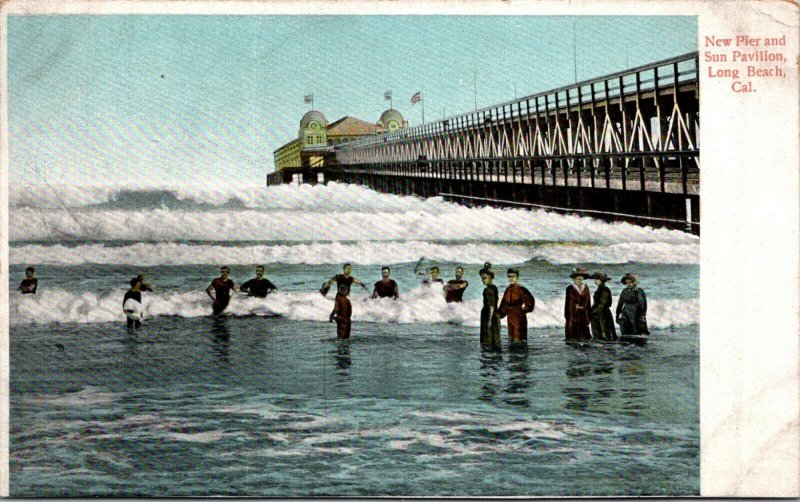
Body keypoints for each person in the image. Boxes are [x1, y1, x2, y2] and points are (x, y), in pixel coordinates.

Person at [324, 263, 367, 340]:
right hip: (339, 296)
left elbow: (357, 281)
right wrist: (327, 286)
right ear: (344, 269)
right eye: (347, 268)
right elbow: (331, 281)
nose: (348, 270)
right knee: (339, 313)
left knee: (346, 314)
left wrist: (363, 285)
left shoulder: (350, 278)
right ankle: (340, 333)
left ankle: (343, 333)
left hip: (346, 297)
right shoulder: (339, 277)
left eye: (350, 268)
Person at [498, 268, 536, 346]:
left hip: (519, 318)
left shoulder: (521, 289)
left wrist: (525, 309)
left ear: (517, 277)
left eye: (513, 276)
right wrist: (498, 314)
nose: (511, 278)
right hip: (510, 318)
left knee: (519, 340)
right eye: (509, 276)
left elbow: (530, 301)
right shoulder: (507, 289)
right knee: (511, 340)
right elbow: (504, 305)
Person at [616, 273, 650, 340]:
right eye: (627, 283)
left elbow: (643, 303)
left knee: (636, 335)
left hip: (636, 313)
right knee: (625, 334)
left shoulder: (639, 291)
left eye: (630, 282)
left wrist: (643, 315)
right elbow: (620, 303)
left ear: (634, 282)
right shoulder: (624, 291)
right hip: (625, 313)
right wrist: (617, 315)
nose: (628, 284)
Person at [564, 268, 592, 343]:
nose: (579, 281)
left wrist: (589, 315)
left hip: (584, 313)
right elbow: (568, 303)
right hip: (574, 314)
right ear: (574, 279)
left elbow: (588, 301)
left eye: (581, 279)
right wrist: (570, 314)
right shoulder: (570, 288)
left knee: (585, 335)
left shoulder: (586, 288)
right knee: (573, 335)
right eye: (577, 279)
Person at [590, 272, 617, 341]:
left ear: (602, 280)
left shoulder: (605, 290)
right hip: (598, 313)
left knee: (604, 331)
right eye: (595, 279)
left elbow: (602, 303)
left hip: (603, 313)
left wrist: (595, 312)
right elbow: (596, 303)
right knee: (598, 332)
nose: (595, 281)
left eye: (597, 279)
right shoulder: (599, 289)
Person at [479, 269, 501, 350]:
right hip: (494, 315)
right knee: (495, 338)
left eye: (484, 278)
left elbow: (491, 306)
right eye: (482, 278)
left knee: (487, 338)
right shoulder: (494, 287)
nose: (483, 280)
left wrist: (489, 320)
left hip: (489, 315)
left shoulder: (488, 290)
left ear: (490, 277)